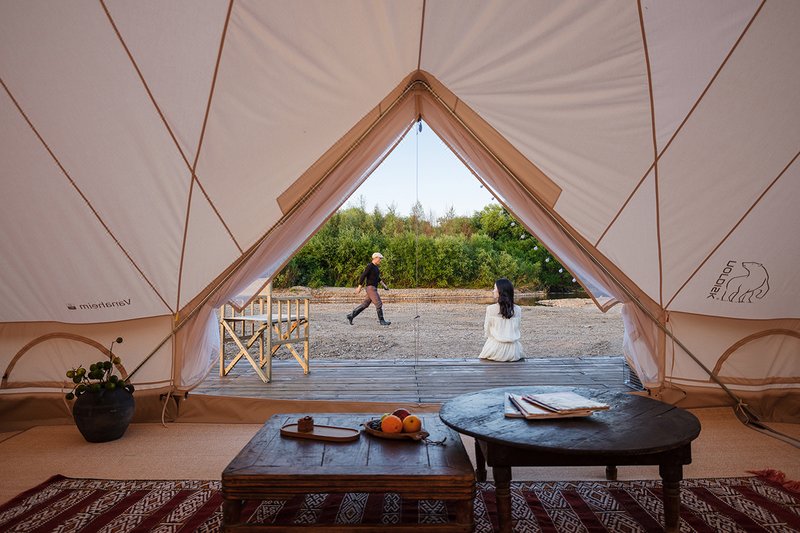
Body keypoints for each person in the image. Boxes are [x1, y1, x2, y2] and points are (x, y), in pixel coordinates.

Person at [479, 278, 524, 361]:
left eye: (494, 288)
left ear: (500, 291)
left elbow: (487, 330)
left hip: (495, 349)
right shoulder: (518, 309)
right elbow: (516, 328)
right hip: (514, 351)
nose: (493, 291)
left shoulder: (490, 309)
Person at [346, 252, 391, 326]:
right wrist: (359, 287)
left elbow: (378, 278)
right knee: (378, 303)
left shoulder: (376, 268)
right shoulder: (370, 266)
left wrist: (384, 286)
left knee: (365, 304)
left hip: (373, 288)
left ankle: (351, 316)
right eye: (380, 258)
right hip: (370, 288)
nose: (380, 260)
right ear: (375, 258)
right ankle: (382, 321)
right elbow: (363, 276)